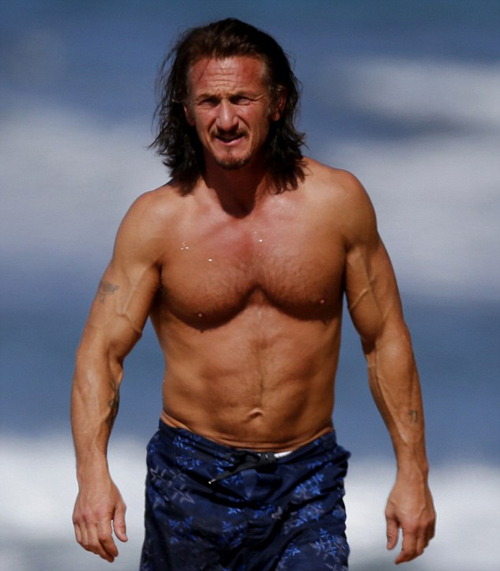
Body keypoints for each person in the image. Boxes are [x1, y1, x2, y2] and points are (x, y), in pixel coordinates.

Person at [71, 18, 435, 570]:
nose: (225, 119)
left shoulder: (337, 204)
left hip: (306, 482)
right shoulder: (157, 221)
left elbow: (384, 337)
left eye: (241, 98)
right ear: (186, 111)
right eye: (208, 101)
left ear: (278, 103)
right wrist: (92, 475)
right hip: (190, 478)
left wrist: (413, 473)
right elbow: (101, 351)